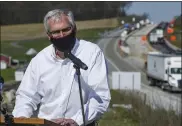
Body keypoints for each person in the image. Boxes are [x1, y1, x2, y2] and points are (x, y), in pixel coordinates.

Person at [12, 9, 111, 126]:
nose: (62, 35)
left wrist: (77, 120)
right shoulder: (39, 60)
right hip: (46, 123)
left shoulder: (92, 53)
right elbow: (26, 96)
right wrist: (22, 118)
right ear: (49, 35)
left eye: (66, 30)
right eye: (56, 32)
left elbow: (100, 96)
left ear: (74, 28)